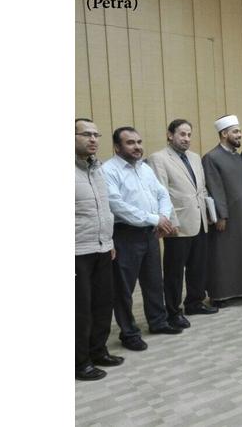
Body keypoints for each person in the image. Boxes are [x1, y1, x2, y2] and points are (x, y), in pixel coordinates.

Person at [102, 126, 183, 353]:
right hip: (125, 235)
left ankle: (158, 322)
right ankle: (128, 333)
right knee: (124, 289)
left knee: (153, 281)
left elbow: (162, 193)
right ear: (117, 147)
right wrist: (155, 219)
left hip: (150, 232)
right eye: (130, 143)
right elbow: (117, 206)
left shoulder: (144, 168)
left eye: (138, 142)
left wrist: (163, 217)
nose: (137, 146)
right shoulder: (109, 171)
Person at [146, 119, 218, 326]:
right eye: (182, 134)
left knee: (198, 267)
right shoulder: (158, 158)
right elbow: (161, 193)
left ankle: (194, 302)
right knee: (174, 272)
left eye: (189, 135)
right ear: (170, 135)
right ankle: (173, 311)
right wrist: (170, 221)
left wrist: (209, 213)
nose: (187, 138)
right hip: (177, 224)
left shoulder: (194, 157)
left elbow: (201, 188)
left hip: (200, 220)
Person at [74, 118, 123, 381]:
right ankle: (79, 362)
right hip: (77, 251)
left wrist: (109, 241)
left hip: (103, 247)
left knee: (103, 304)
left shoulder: (98, 168)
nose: (93, 139)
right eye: (86, 134)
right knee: (80, 310)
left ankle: (98, 350)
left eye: (96, 134)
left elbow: (105, 209)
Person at [202, 115, 242, 307]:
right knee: (223, 255)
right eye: (235, 132)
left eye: (239, 132)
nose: (239, 135)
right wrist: (222, 215)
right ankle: (221, 294)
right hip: (226, 216)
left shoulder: (237, 156)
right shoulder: (211, 157)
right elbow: (215, 187)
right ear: (224, 134)